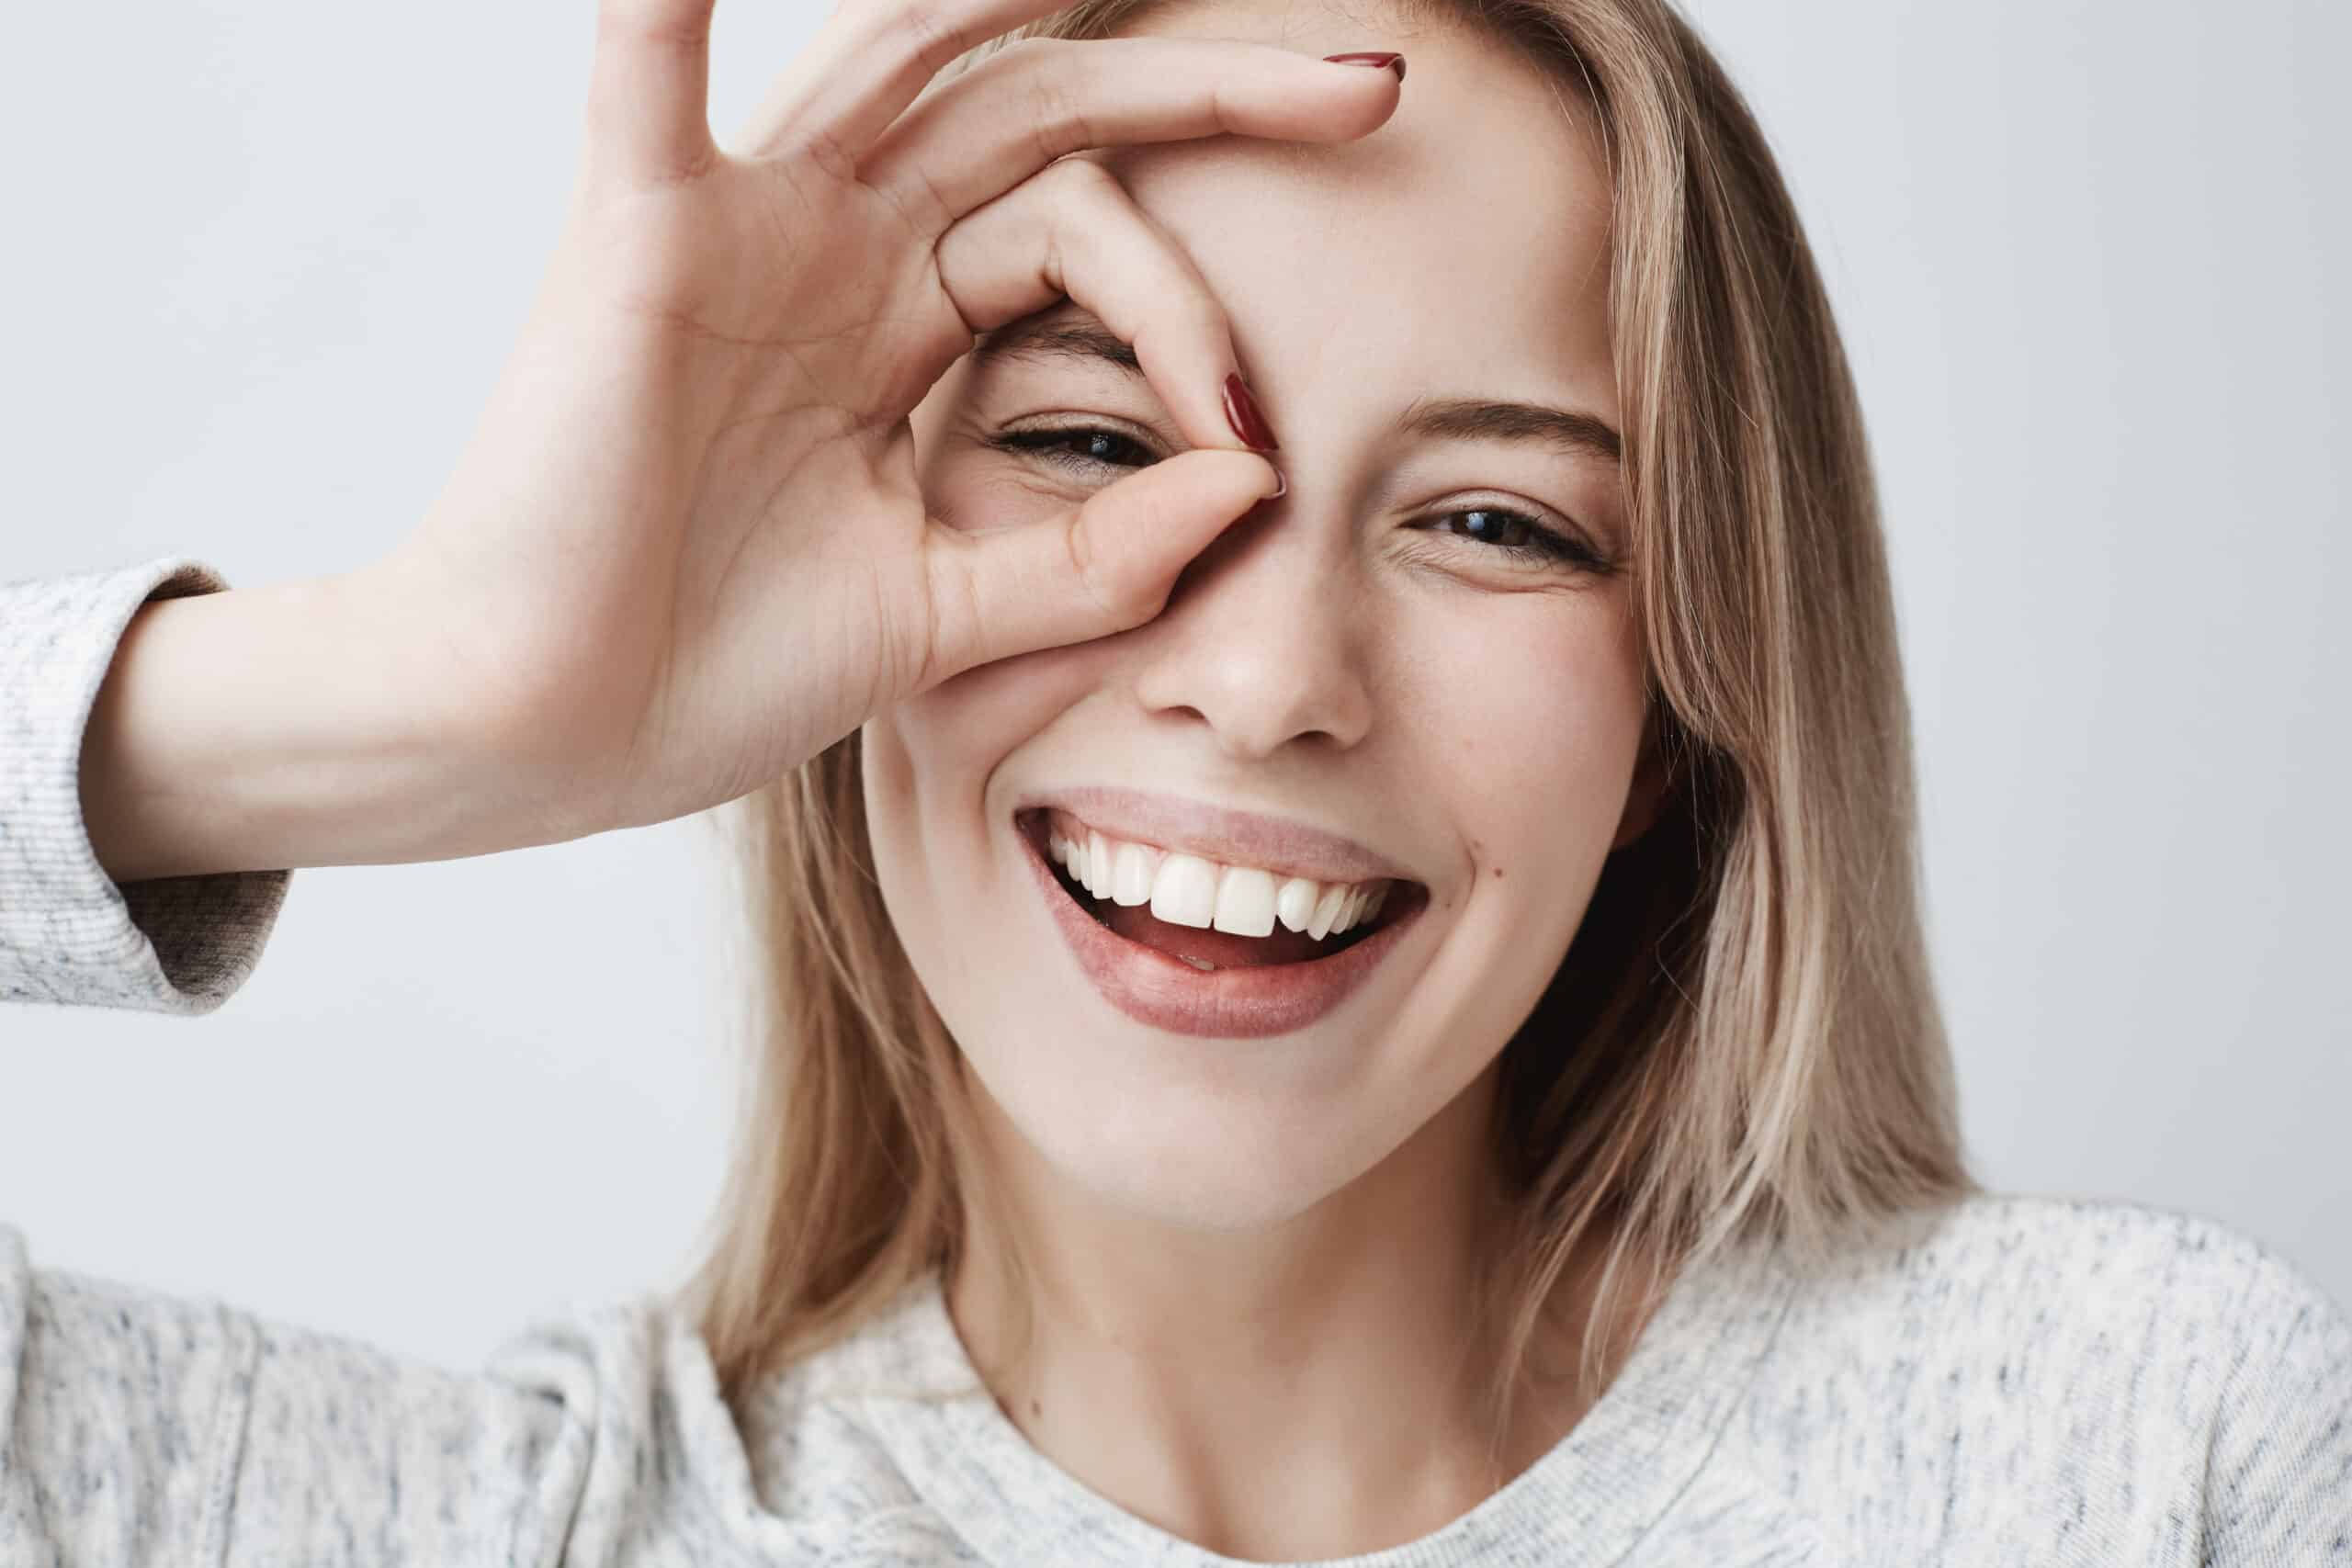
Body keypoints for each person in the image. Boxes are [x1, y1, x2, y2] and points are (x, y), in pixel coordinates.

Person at [2, 0, 2346, 1559]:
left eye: (1497, 521)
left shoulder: (2143, 1450)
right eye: (1091, 443)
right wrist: (421, 698)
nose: (1263, 679)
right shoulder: (466, 1521)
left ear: (1684, 711)